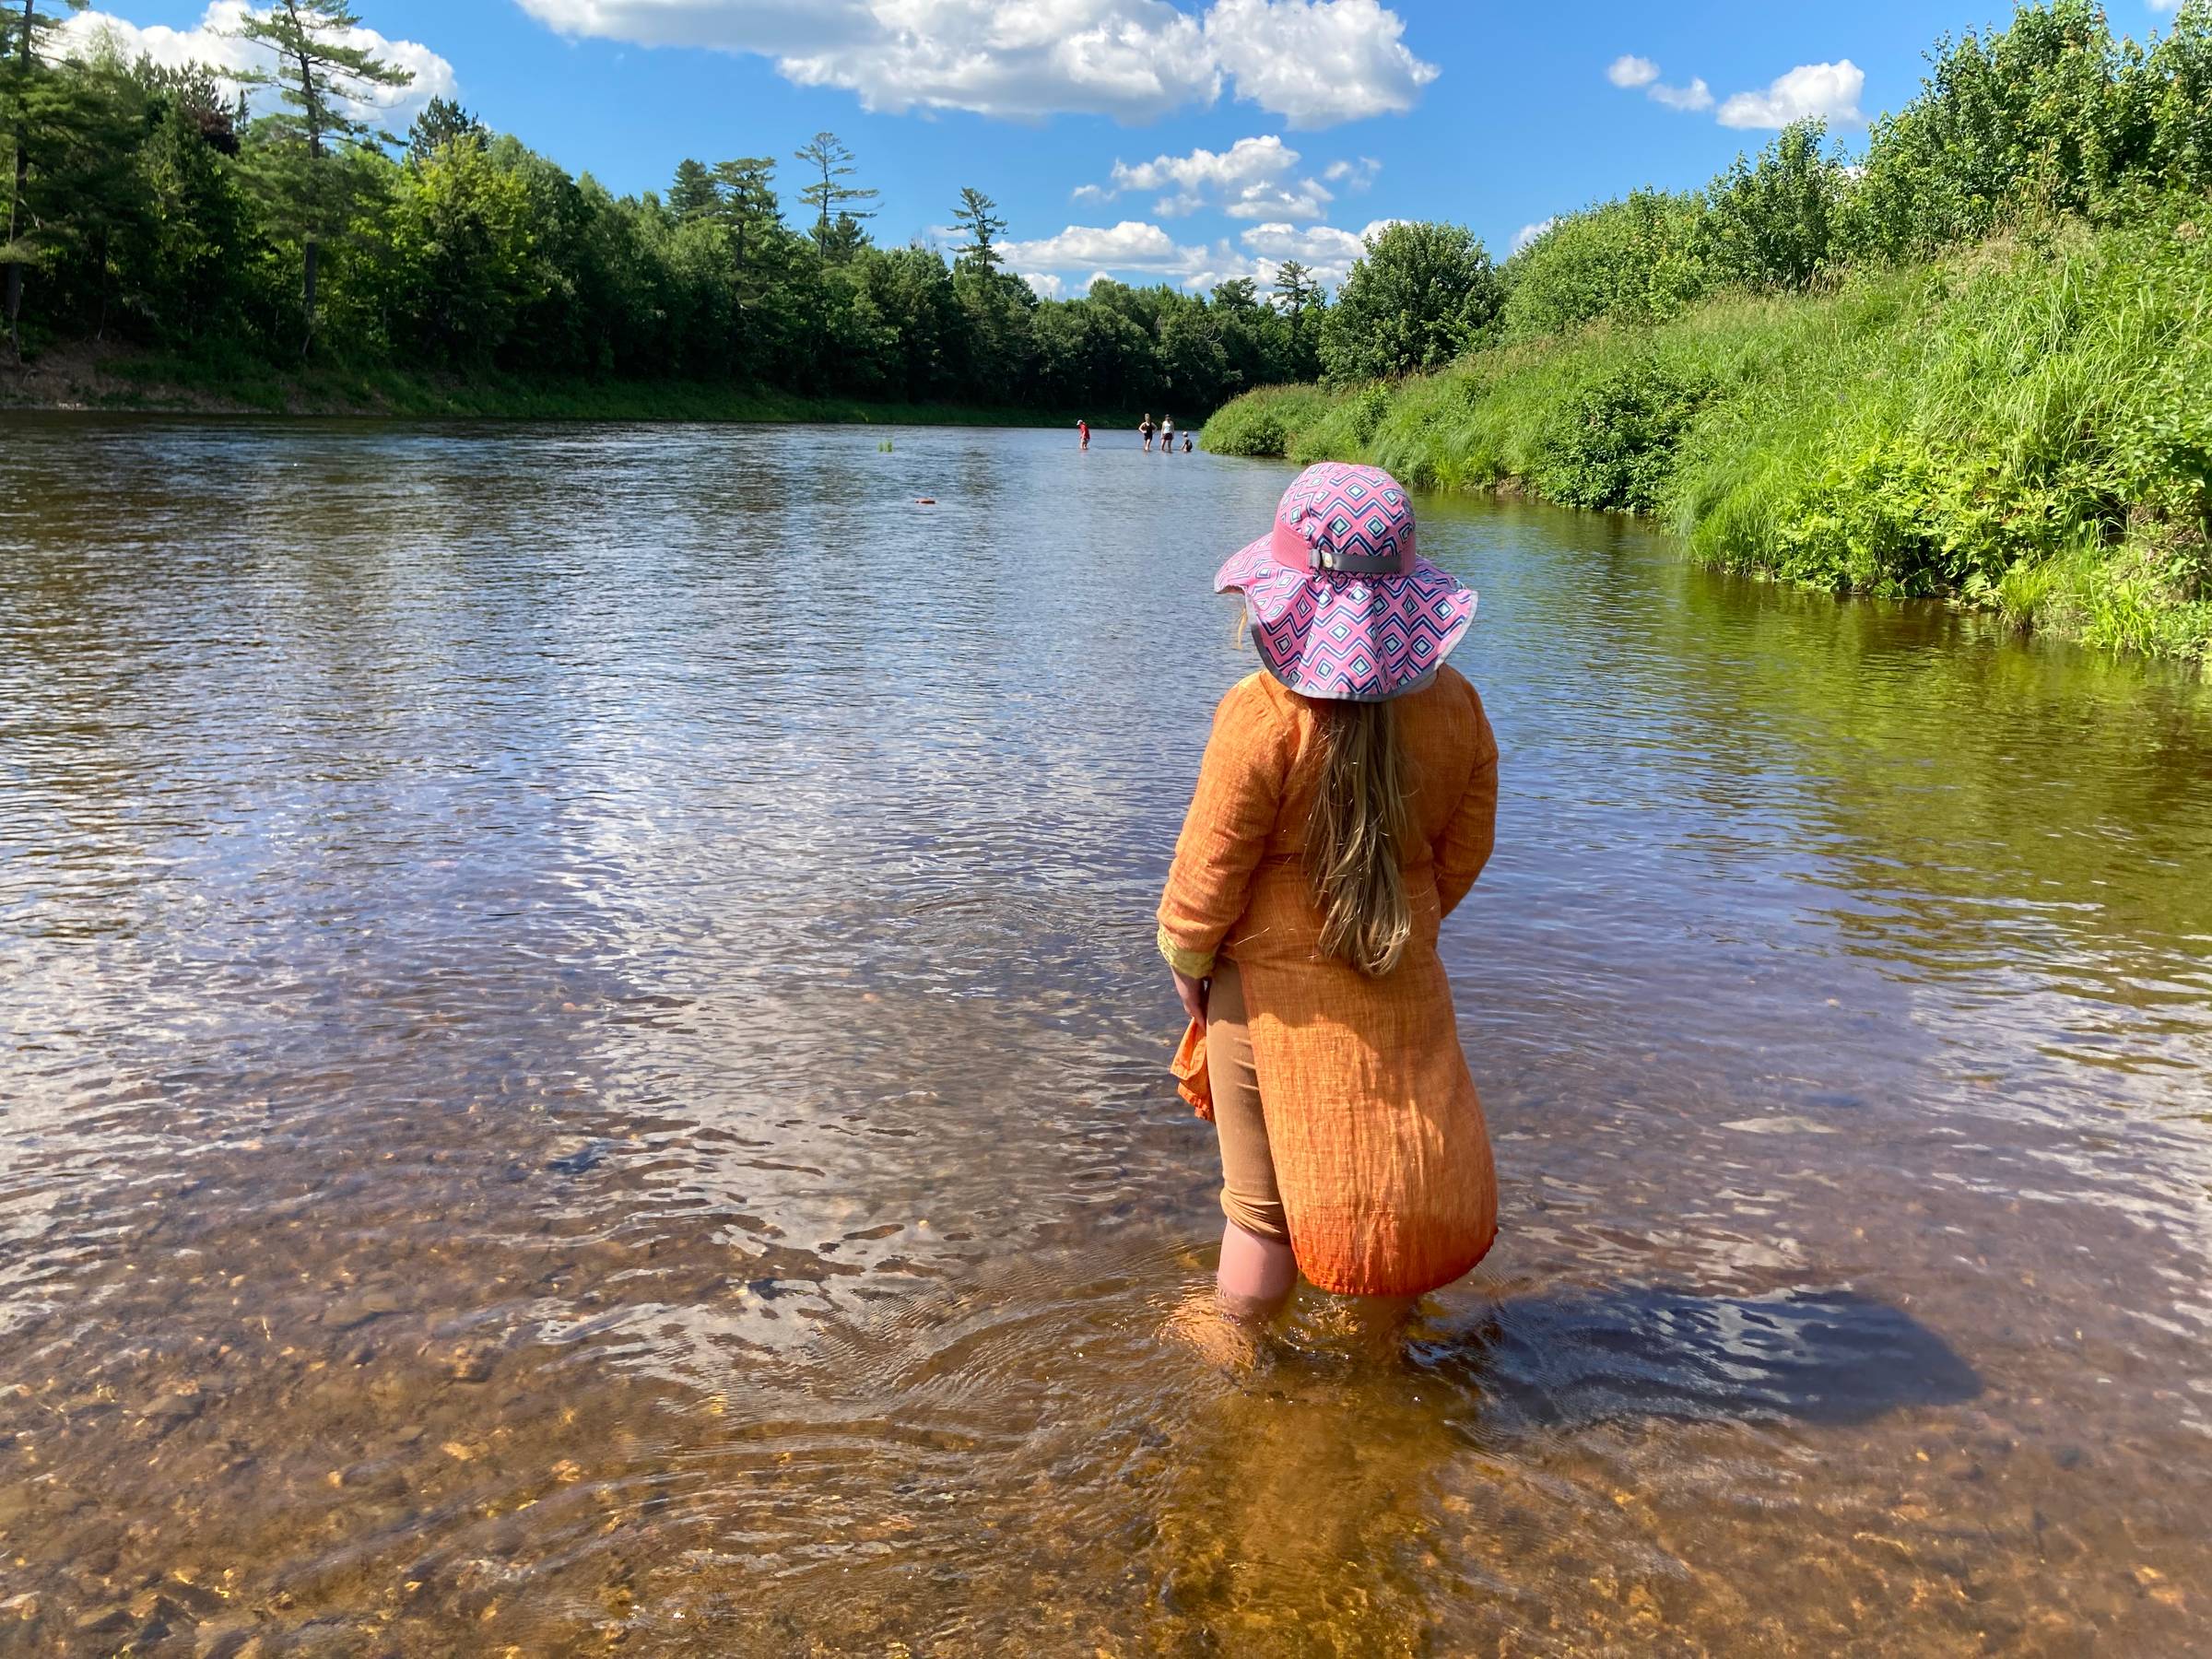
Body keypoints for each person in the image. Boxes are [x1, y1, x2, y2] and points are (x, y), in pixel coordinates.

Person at [1159, 461, 1498, 1338]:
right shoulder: (1458, 709)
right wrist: (1408, 918)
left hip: (1263, 993)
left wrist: (1191, 965)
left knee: (1260, 1208)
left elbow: (1210, 866)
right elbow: (1466, 848)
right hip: (1400, 972)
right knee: (1387, 1165)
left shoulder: (1262, 715)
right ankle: (1383, 1353)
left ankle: (1235, 1350)